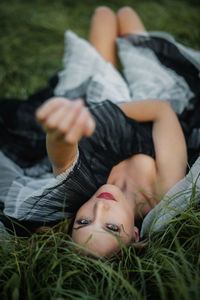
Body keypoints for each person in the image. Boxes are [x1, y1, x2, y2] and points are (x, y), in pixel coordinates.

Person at [0, 7, 200, 257]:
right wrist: (100, 113)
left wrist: (62, 131)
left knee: (103, 16)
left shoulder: (79, 193)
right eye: (112, 227)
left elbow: (62, 156)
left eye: (82, 222)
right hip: (151, 108)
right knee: (126, 15)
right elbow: (162, 110)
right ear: (135, 235)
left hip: (103, 112)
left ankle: (109, 80)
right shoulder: (162, 192)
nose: (100, 209)